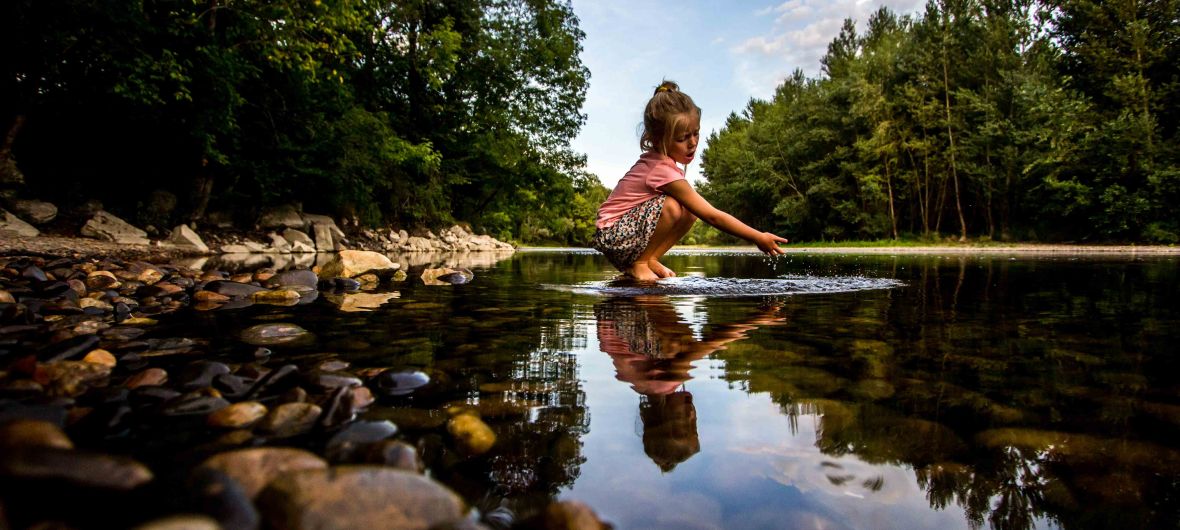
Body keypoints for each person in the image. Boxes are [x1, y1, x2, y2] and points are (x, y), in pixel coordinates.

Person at [592, 80, 790, 281]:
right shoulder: (661, 169)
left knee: (689, 210)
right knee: (671, 206)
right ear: (657, 140)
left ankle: (651, 258)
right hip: (612, 235)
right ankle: (640, 263)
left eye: (696, 133)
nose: (693, 143)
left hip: (622, 235)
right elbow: (712, 216)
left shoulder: (664, 165)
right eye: (682, 138)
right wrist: (757, 236)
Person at [595, 295, 786, 471]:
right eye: (694, 424)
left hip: (624, 311)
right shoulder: (643, 387)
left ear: (663, 416)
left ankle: (644, 283)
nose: (692, 414)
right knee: (678, 352)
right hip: (616, 310)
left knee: (685, 350)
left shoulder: (660, 385)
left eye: (683, 420)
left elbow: (708, 344)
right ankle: (647, 286)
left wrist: (758, 319)